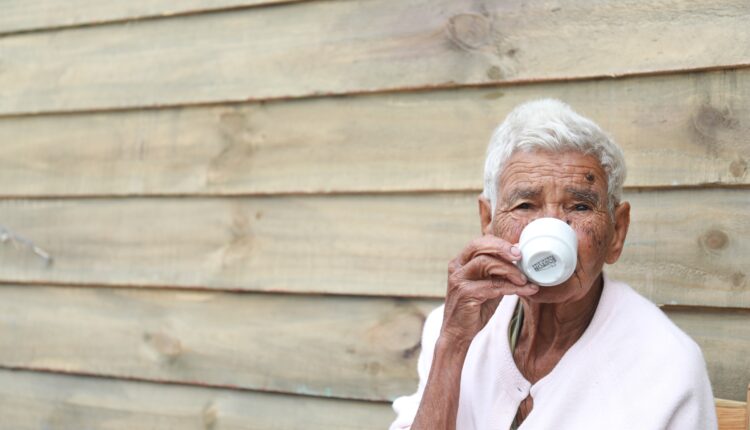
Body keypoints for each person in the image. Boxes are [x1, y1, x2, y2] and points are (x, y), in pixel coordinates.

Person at [389, 99, 717, 430]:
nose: (552, 228)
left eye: (580, 207)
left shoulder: (667, 366)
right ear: (488, 222)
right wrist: (453, 345)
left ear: (617, 232)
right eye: (525, 204)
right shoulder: (452, 329)